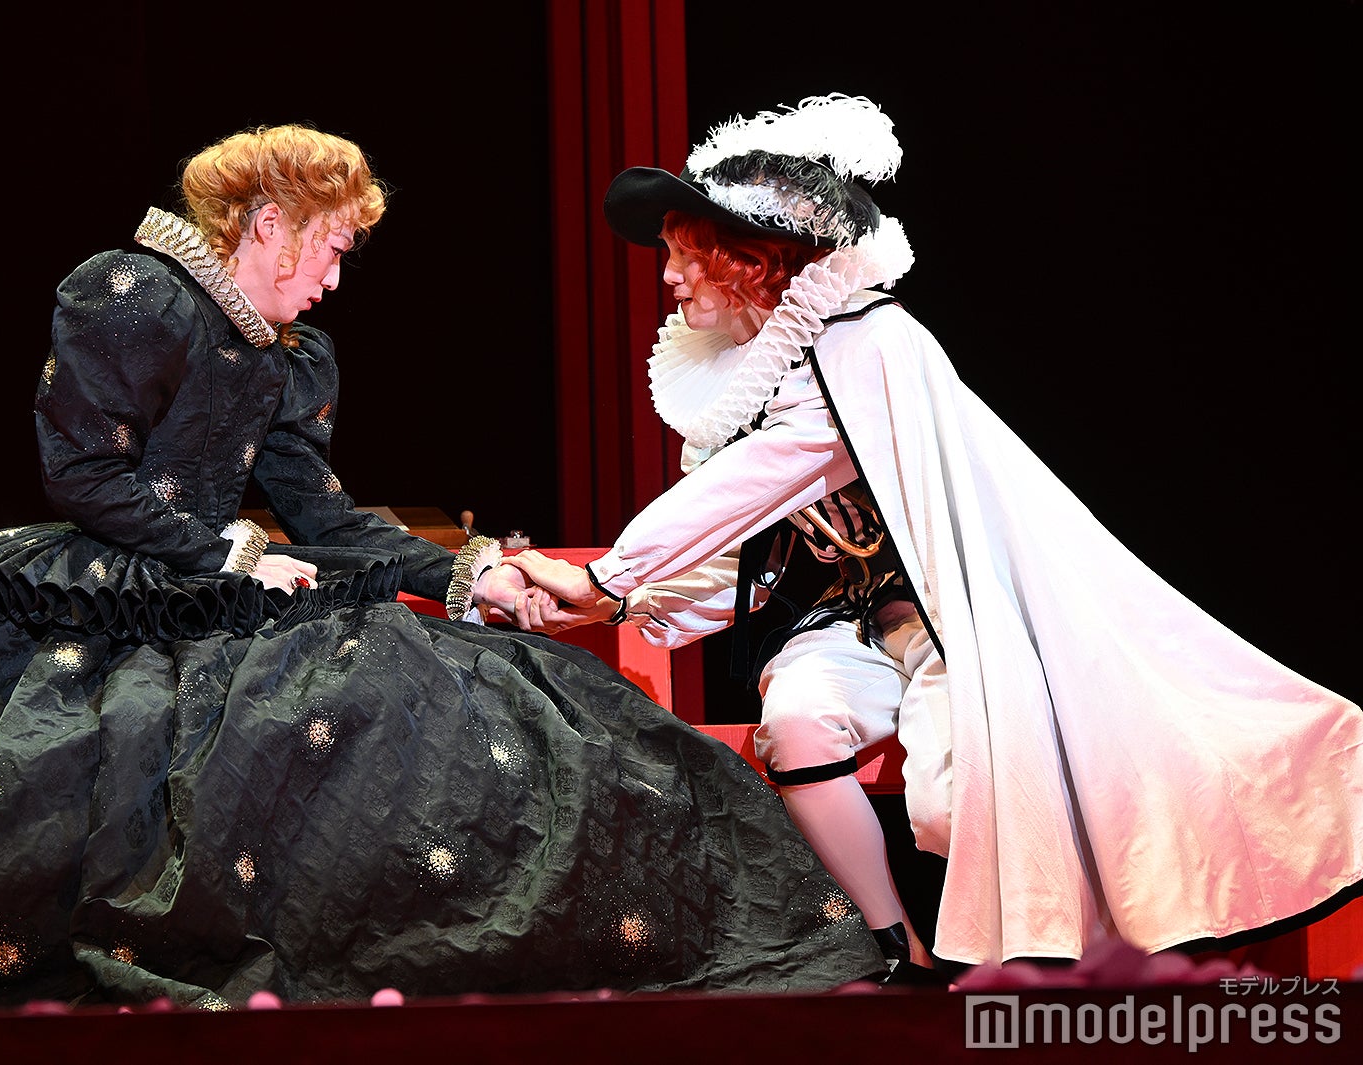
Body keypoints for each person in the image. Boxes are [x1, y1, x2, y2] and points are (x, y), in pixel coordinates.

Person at [0, 124, 888, 1011]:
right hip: (109, 589)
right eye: (336, 247)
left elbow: (324, 515)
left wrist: (470, 575)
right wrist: (225, 554)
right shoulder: (130, 292)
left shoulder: (294, 353)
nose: (337, 278)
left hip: (233, 581)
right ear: (272, 226)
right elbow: (83, 474)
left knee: (464, 719)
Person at [505, 94, 1363, 976]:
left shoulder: (870, 341)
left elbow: (771, 470)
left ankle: (1037, 963)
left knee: (964, 804)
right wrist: (624, 599)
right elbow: (746, 540)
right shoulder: (748, 380)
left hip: (951, 621)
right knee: (797, 724)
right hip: (847, 622)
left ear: (752, 262)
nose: (671, 279)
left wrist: (610, 575)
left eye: (688, 256)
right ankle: (898, 952)